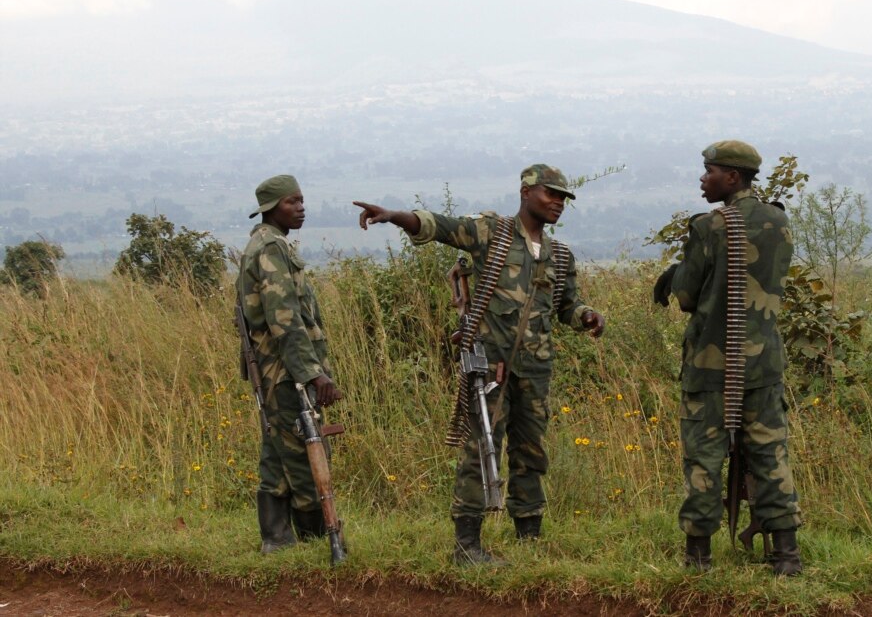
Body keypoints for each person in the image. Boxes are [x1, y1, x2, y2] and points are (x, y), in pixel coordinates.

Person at [353, 164, 605, 565]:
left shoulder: (560, 254)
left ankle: (530, 538)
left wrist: (587, 316)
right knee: (480, 449)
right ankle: (467, 545)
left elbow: (566, 306)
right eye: (550, 194)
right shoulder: (492, 233)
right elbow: (440, 226)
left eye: (563, 198)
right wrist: (395, 216)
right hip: (491, 367)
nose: (557, 202)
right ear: (526, 192)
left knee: (532, 452)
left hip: (536, 370)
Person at [654, 140, 803, 576]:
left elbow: (684, 296)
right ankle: (787, 558)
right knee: (771, 458)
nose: (703, 178)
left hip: (710, 369)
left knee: (703, 459)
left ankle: (698, 558)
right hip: (763, 366)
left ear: (733, 178)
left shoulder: (712, 226)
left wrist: (672, 277)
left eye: (710, 170)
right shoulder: (778, 221)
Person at [237, 174, 344, 553]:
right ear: (271, 208)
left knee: (277, 453)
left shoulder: (271, 244)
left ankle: (276, 539)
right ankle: (317, 538)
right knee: (302, 452)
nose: (300, 207)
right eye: (291, 202)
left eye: (301, 200)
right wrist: (312, 373)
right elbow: (285, 319)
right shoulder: (270, 248)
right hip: (283, 372)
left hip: (278, 369)